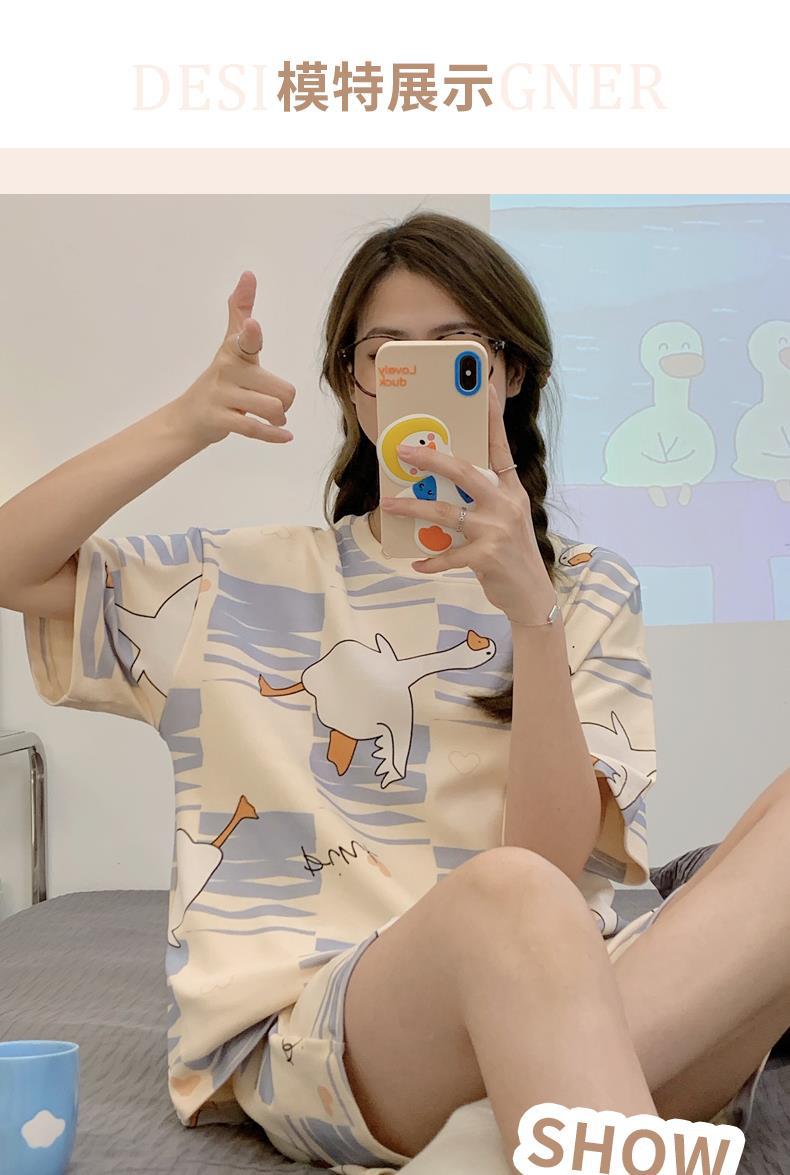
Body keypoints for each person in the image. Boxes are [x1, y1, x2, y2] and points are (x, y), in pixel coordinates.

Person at [1, 211, 786, 1175]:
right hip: (335, 1033)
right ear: (353, 387)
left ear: (508, 374)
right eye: (387, 356)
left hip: (568, 991)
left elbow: (552, 862)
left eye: (458, 354)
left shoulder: (585, 590)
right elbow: (12, 563)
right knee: (504, 896)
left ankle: (503, 1129)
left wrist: (533, 618)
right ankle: (529, 1117)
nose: (419, 378)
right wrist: (188, 420)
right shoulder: (236, 582)